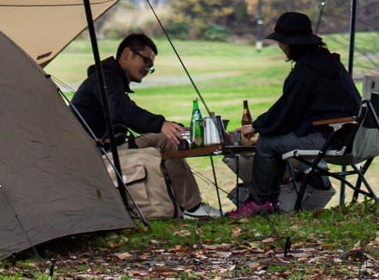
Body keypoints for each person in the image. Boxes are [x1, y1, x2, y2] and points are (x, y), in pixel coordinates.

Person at [69, 33, 220, 219]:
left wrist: (170, 126)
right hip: (95, 151)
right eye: (146, 61)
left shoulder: (111, 77)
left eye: (151, 65)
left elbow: (125, 112)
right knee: (162, 138)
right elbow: (121, 110)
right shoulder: (105, 77)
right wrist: (159, 124)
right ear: (127, 54)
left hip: (112, 144)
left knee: (168, 138)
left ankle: (191, 206)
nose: (148, 68)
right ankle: (191, 207)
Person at [227, 12, 361, 219]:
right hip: (350, 135)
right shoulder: (328, 62)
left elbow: (287, 109)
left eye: (281, 42)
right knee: (275, 140)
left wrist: (257, 127)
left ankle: (260, 202)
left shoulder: (307, 71)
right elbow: (295, 108)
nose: (281, 47)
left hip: (331, 138)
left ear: (291, 43)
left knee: (267, 144)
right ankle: (268, 200)